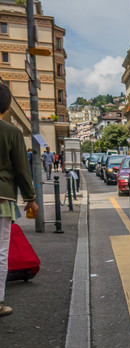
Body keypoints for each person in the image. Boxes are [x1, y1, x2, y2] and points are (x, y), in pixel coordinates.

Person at [0, 83, 39, 317]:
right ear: (6, 106)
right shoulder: (11, 132)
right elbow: (22, 171)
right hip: (2, 198)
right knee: (0, 251)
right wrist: (30, 199)